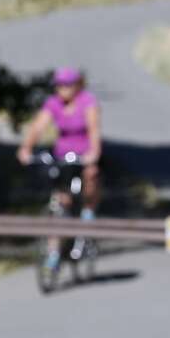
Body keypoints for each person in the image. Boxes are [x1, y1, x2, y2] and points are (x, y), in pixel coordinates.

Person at [17, 68, 102, 264]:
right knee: (59, 199)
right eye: (59, 85)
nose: (62, 89)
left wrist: (94, 153)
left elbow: (94, 129)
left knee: (91, 175)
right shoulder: (53, 103)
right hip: (62, 155)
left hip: (84, 154)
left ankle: (88, 215)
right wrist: (26, 148)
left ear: (77, 85)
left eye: (67, 85)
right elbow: (38, 127)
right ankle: (53, 252)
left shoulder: (87, 102)